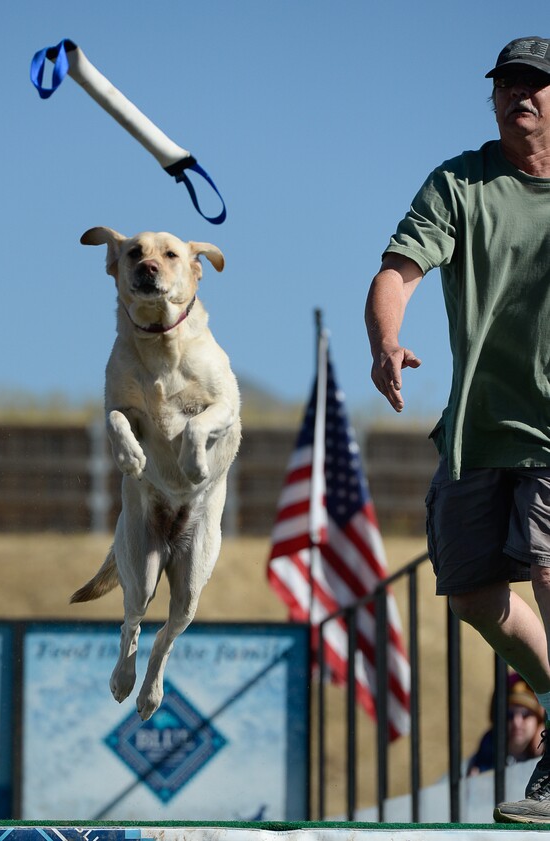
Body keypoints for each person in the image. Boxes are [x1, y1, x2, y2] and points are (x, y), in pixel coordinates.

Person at [364, 36, 550, 823]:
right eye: (509, 85)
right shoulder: (461, 183)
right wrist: (385, 337)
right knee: (473, 593)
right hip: (477, 432)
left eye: (538, 85)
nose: (523, 97)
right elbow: (397, 271)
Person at [467, 674, 545, 777]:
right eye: (509, 715)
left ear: (539, 722)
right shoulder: (482, 760)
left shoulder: (545, 757)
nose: (516, 722)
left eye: (526, 715)